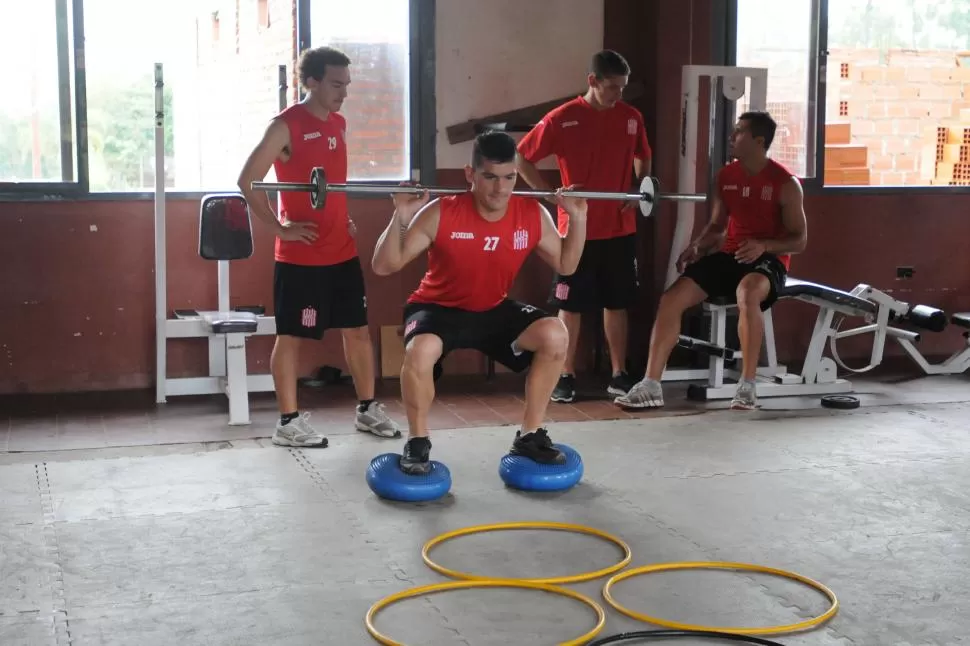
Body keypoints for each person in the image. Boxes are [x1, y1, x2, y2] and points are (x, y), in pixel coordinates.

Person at [371, 131, 589, 475]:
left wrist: (577, 218)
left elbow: (567, 265)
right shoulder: (441, 212)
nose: (500, 189)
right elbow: (385, 265)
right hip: (436, 307)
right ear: (470, 174)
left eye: (509, 178)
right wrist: (400, 215)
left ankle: (529, 434)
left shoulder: (531, 214)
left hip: (491, 308)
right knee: (421, 350)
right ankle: (417, 440)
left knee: (555, 334)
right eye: (489, 177)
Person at [237, 46, 401, 447]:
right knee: (291, 336)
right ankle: (288, 423)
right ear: (311, 81)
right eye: (335, 84)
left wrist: (340, 215)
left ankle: (366, 409)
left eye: (346, 85)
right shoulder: (285, 126)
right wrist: (280, 229)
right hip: (300, 256)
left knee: (358, 330)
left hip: (341, 250)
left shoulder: (339, 124)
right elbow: (247, 181)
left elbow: (327, 185)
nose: (342, 93)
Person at [615, 111, 808, 411]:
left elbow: (799, 240)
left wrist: (763, 245)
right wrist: (698, 245)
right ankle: (651, 385)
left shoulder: (785, 184)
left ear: (759, 141)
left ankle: (747, 386)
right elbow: (718, 226)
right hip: (730, 256)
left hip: (768, 261)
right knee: (671, 298)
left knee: (747, 293)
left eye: (739, 132)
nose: (732, 137)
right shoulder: (725, 177)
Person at [516, 49, 652, 404]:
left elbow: (643, 155)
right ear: (592, 81)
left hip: (620, 228)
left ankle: (619, 374)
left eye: (622, 87)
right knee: (571, 305)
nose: (617, 95)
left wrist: (640, 186)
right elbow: (521, 156)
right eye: (611, 87)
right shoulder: (563, 118)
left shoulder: (631, 117)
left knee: (617, 302)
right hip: (577, 229)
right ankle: (565, 374)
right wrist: (547, 194)